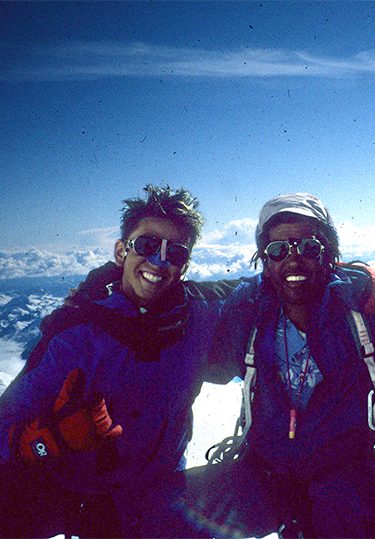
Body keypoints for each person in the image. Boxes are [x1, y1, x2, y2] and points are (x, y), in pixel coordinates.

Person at [176, 193, 375, 538]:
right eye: (277, 250)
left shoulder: (365, 310)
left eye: (308, 247)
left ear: (328, 252)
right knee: (166, 511)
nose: (293, 261)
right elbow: (181, 299)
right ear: (264, 259)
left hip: (345, 483)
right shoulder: (248, 311)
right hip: (264, 475)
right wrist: (111, 280)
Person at [0, 185, 232, 537]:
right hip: (70, 492)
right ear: (122, 251)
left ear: (185, 266)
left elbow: (262, 288)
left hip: (151, 495)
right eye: (147, 245)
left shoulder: (200, 317)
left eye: (176, 253)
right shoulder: (76, 336)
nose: (159, 261)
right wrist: (55, 438)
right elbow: (5, 426)